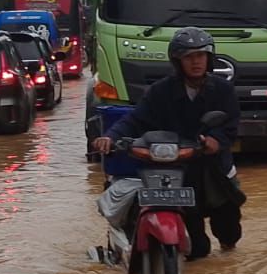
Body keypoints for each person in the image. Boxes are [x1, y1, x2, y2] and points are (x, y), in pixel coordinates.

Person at [92, 27, 244, 261]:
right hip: (177, 167)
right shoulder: (160, 91)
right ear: (177, 61)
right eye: (189, 57)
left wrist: (217, 140)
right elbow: (135, 120)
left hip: (213, 167)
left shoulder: (222, 90)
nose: (196, 62)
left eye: (201, 56)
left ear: (209, 59)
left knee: (228, 228)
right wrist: (110, 137)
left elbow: (231, 123)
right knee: (197, 248)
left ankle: (229, 254)